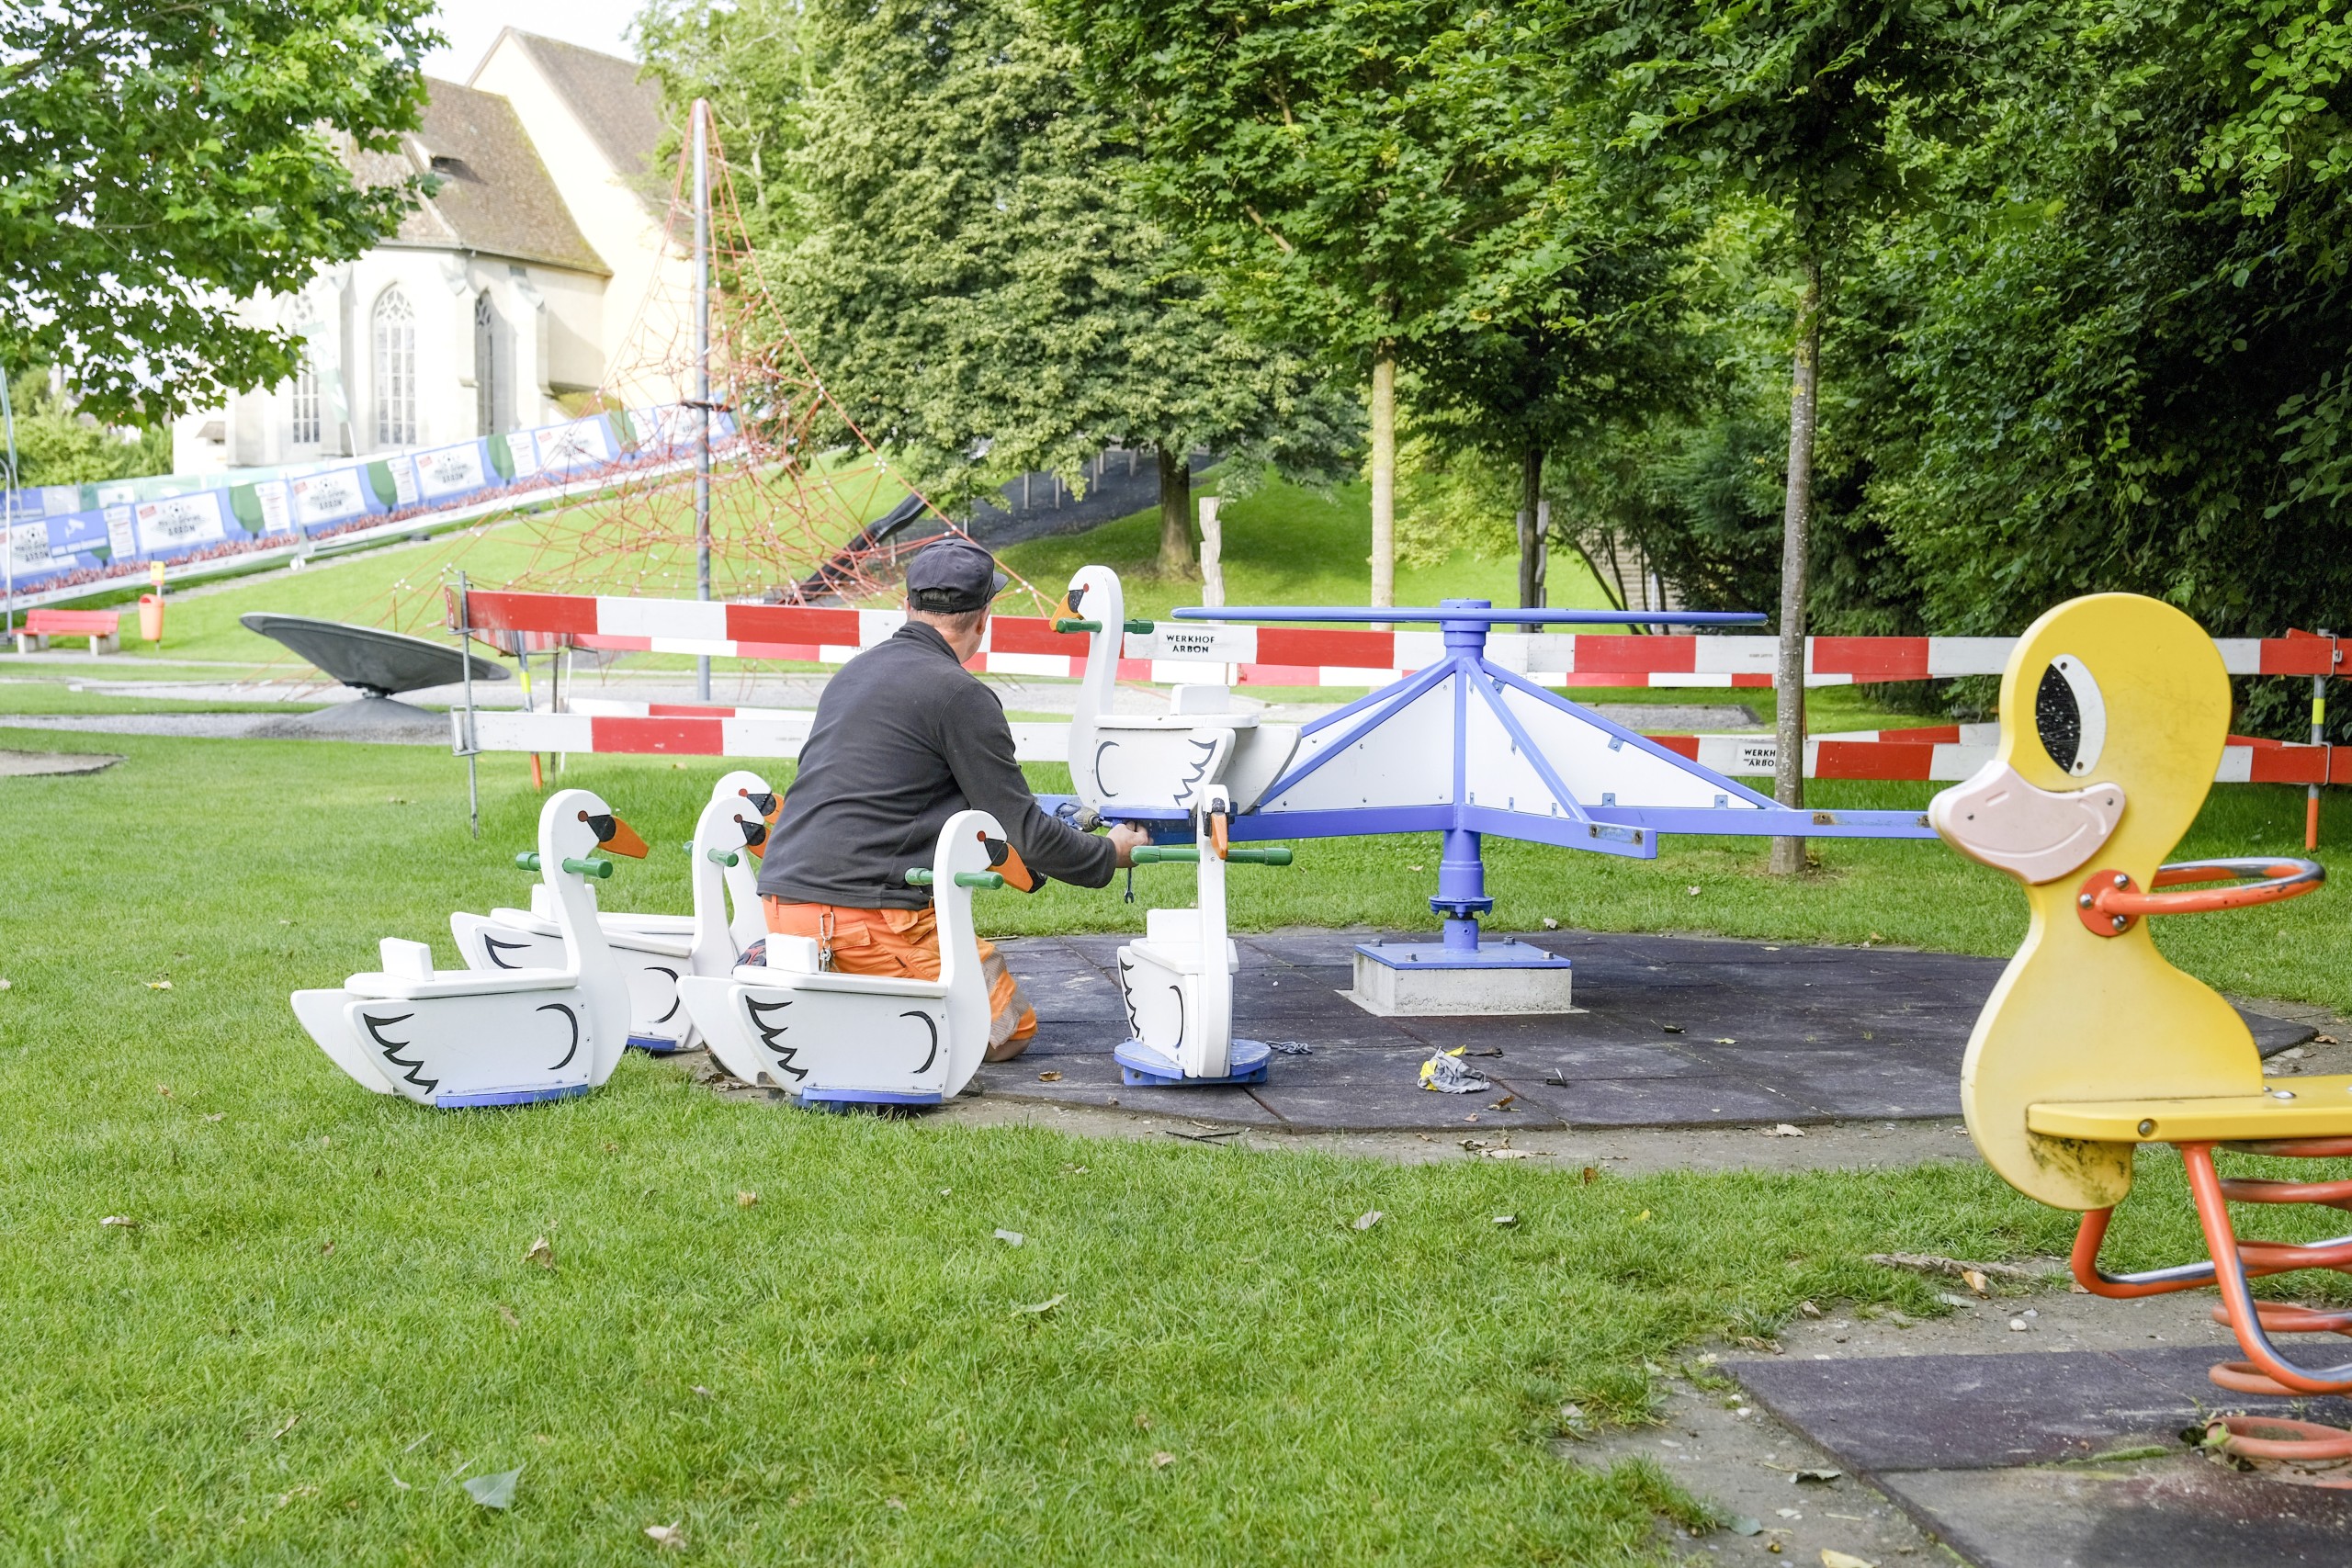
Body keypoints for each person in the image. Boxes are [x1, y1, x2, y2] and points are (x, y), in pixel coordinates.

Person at [753, 538, 1149, 1058]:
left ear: (909, 606)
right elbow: (1022, 832)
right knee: (1007, 1033)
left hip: (782, 905)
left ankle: (840, 1004)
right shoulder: (961, 695)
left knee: (954, 972)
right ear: (984, 618)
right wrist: (1109, 853)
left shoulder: (853, 675)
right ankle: (871, 1029)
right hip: (861, 919)